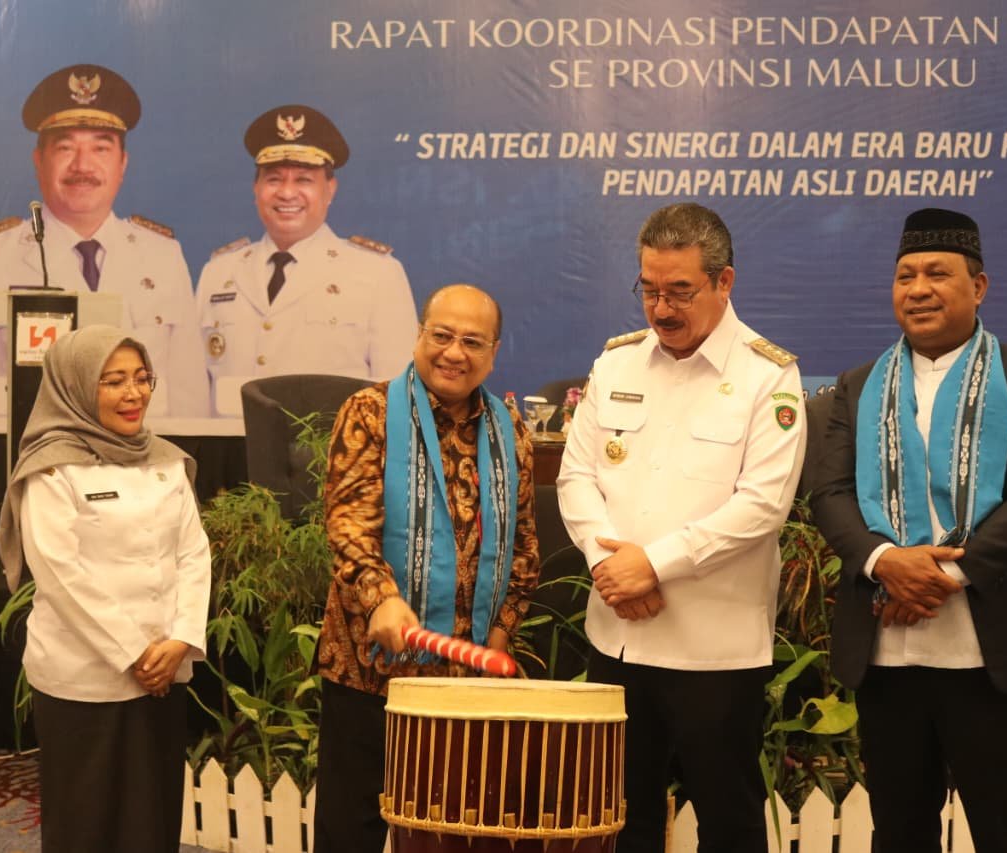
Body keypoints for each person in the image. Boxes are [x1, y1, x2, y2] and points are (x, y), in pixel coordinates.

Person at [811, 208, 1007, 852]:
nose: (918, 289)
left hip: (994, 652)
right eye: (905, 275)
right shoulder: (856, 387)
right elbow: (829, 493)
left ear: (979, 286)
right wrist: (885, 562)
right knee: (899, 833)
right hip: (889, 656)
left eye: (937, 273)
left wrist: (943, 573)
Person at [556, 203, 807, 852]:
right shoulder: (616, 364)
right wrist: (607, 566)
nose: (661, 309)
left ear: (724, 282)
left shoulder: (768, 375)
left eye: (680, 292)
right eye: (649, 290)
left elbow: (763, 505)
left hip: (713, 651)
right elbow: (575, 476)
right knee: (618, 820)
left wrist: (653, 565)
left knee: (727, 823)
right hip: (617, 638)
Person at [313, 284, 539, 851]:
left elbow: (525, 548)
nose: (454, 353)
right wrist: (381, 597)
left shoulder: (511, 431)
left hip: (464, 686)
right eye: (441, 335)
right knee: (350, 834)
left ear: (494, 352)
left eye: (472, 341)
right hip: (370, 673)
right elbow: (348, 523)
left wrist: (499, 638)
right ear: (419, 336)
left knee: (448, 838)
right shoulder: (370, 413)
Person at [0, 325, 212, 852]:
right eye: (113, 381)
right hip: (84, 678)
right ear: (74, 385)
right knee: (87, 823)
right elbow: (60, 574)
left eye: (141, 378)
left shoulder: (166, 460)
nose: (133, 393)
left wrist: (181, 639)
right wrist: (136, 652)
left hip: (163, 671)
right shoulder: (52, 467)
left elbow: (193, 553)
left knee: (152, 819)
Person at [0, 64, 208, 418]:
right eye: (65, 148)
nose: (83, 166)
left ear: (122, 163)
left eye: (100, 149)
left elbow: (189, 401)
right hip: (36, 451)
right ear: (38, 161)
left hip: (139, 450)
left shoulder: (163, 257)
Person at [195, 104, 418, 417]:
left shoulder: (377, 274)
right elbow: (195, 389)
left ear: (330, 189)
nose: (287, 193)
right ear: (256, 188)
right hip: (228, 444)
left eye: (303, 180)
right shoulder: (218, 272)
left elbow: (397, 397)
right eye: (274, 179)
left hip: (330, 446)